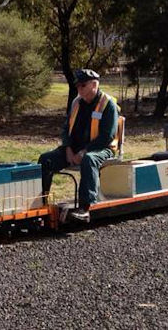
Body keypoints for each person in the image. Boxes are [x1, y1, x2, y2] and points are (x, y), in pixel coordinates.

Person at [38, 69, 119, 222]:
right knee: (46, 159)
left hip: (102, 149)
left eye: (83, 85)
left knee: (89, 159)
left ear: (94, 85)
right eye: (77, 86)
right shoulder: (76, 102)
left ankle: (85, 208)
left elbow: (106, 137)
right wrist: (68, 148)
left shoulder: (108, 104)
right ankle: (41, 203)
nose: (79, 89)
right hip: (74, 149)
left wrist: (84, 151)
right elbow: (66, 129)